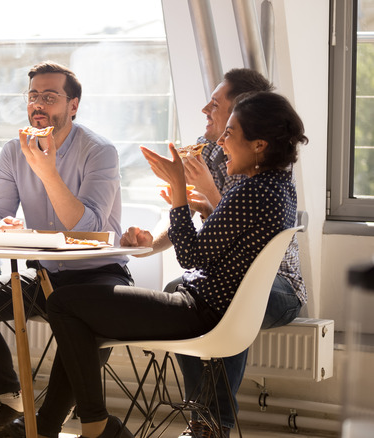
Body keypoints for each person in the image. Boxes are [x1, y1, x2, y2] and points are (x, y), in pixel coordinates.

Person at [46, 90, 307, 438]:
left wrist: (179, 193)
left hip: (198, 311)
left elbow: (192, 256)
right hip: (208, 308)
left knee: (63, 303)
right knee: (81, 313)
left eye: (230, 133)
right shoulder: (279, 188)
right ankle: (77, 424)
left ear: (259, 145)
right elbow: (231, 242)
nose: (222, 141)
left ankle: (96, 425)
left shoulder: (251, 191)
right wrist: (196, 208)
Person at [120, 69, 307, 438]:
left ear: (244, 113)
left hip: (278, 283)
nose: (206, 109)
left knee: (232, 298)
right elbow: (184, 220)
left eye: (217, 104)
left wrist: (207, 193)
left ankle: (211, 423)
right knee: (182, 286)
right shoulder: (205, 151)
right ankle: (203, 418)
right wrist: (149, 243)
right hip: (225, 273)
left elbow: (239, 231)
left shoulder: (265, 168)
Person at [0, 61, 133, 438]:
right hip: (46, 276)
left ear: (73, 105)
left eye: (50, 97)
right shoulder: (14, 152)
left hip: (99, 274)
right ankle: (11, 399)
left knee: (78, 317)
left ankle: (43, 424)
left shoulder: (100, 151)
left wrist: (48, 171)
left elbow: (88, 229)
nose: (38, 104)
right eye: (33, 96)